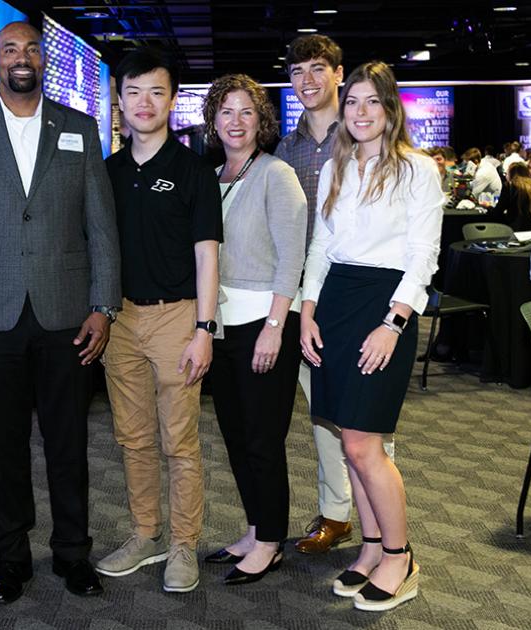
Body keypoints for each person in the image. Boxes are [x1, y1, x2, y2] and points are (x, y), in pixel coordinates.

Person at [0, 21, 121, 604]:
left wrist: (104, 304)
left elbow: (101, 225)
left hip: (67, 315)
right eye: (10, 49)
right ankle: (10, 558)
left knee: (69, 444)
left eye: (32, 49)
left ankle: (72, 554)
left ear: (44, 61)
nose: (22, 58)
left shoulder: (79, 128)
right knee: (3, 446)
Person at [301, 61, 443, 611]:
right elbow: (321, 245)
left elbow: (422, 256)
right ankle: (372, 547)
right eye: (353, 101)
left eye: (371, 102)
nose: (360, 112)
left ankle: (401, 556)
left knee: (365, 445)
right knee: (347, 439)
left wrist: (394, 322)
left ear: (390, 109)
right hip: (334, 303)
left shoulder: (417, 169)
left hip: (384, 309)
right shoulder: (337, 166)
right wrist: (308, 309)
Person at [95, 47, 221, 594]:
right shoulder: (106, 173)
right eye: (133, 91)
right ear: (119, 102)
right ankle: (146, 534)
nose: (144, 102)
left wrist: (204, 329)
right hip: (119, 321)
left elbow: (207, 255)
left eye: (156, 91)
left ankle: (184, 544)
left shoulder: (193, 170)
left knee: (180, 441)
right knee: (133, 438)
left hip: (178, 320)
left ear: (171, 100)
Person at [275, 33, 391, 557]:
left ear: (339, 74)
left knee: (367, 417)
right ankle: (336, 514)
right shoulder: (286, 145)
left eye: (318, 69)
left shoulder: (364, 137)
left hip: (360, 298)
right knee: (322, 413)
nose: (307, 81)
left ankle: (384, 526)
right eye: (297, 72)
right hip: (303, 298)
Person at [200, 74, 307, 585]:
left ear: (261, 121)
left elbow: (292, 259)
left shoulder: (276, 174)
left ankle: (271, 542)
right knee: (237, 438)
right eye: (225, 112)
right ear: (213, 121)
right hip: (220, 329)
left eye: (246, 112)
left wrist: (274, 327)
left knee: (264, 441)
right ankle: (255, 527)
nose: (235, 122)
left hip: (263, 326)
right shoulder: (213, 175)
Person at [491, 162, 531, 231]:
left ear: (510, 174)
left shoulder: (510, 187)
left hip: (516, 230)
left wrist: (489, 208)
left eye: (506, 173)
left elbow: (497, 212)